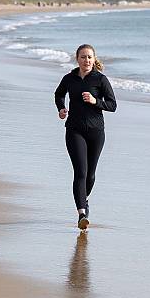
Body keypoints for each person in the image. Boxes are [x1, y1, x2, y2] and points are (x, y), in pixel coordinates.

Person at [54, 44, 117, 230]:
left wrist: (95, 101)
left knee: (90, 175)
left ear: (94, 59)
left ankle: (84, 199)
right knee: (80, 172)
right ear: (77, 59)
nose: (86, 60)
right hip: (74, 130)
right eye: (83, 57)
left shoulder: (100, 79)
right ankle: (82, 213)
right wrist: (61, 108)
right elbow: (59, 94)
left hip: (96, 132)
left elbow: (112, 105)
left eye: (89, 57)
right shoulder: (69, 78)